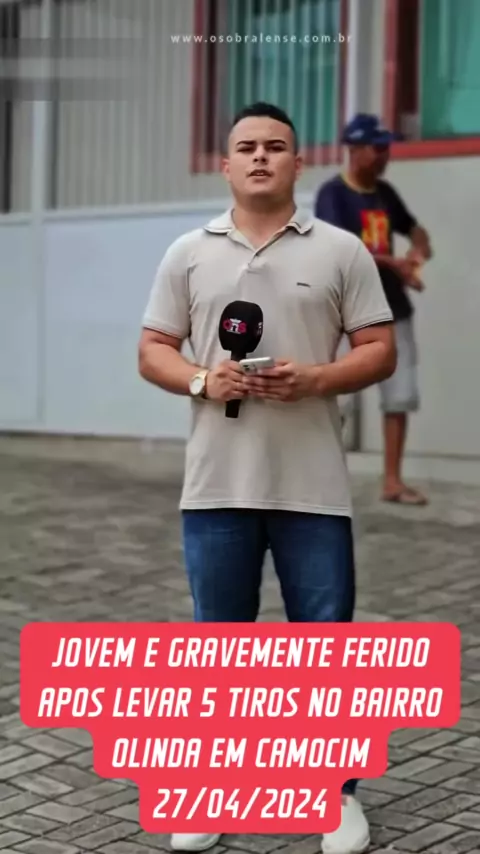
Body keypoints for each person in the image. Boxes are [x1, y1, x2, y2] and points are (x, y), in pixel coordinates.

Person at [139, 102, 396, 854]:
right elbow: (153, 349)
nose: (260, 157)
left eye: (275, 146)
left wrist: (317, 378)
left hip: (313, 486)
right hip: (216, 485)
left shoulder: (341, 250)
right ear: (225, 165)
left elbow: (379, 349)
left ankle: (334, 796)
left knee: (324, 646)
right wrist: (201, 380)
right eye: (246, 147)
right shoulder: (189, 252)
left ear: (297, 163)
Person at [314, 113, 433, 506]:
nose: (385, 156)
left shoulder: (386, 193)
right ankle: (322, 482)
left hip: (393, 308)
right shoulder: (333, 195)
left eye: (387, 148)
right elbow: (342, 250)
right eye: (378, 148)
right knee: (336, 399)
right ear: (355, 150)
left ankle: (392, 482)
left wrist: (417, 251)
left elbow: (415, 228)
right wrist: (394, 264)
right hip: (346, 313)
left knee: (399, 396)